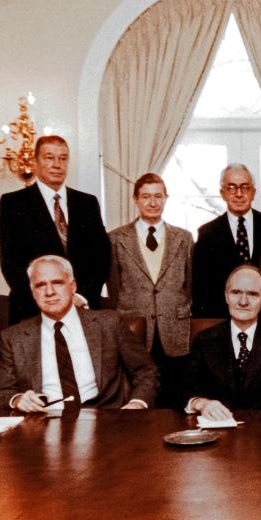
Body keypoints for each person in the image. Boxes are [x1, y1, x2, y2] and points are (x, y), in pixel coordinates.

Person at [0, 255, 157, 411]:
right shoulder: (14, 337)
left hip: (107, 419)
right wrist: (18, 399)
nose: (49, 292)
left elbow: (146, 372)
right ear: (33, 292)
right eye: (41, 285)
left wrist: (137, 403)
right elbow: (1, 391)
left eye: (57, 283)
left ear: (73, 286)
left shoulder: (109, 323)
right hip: (44, 421)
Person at [0, 135, 111, 324]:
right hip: (32, 311)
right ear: (35, 162)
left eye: (63, 158)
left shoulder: (87, 203)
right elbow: (11, 263)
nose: (57, 164)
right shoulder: (13, 203)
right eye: (49, 157)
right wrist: (48, 302)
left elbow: (102, 258)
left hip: (82, 309)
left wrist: (81, 297)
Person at [108, 173, 193, 408]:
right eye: (146, 197)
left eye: (158, 196)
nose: (153, 202)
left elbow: (190, 285)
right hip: (134, 326)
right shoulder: (116, 239)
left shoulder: (183, 238)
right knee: (140, 392)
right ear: (135, 199)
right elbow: (115, 287)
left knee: (175, 394)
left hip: (174, 328)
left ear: (166, 198)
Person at [185, 265, 261, 420]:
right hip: (217, 434)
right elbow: (185, 390)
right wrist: (202, 403)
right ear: (226, 296)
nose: (243, 301)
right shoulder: (204, 340)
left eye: (252, 294)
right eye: (236, 292)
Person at [192, 164, 261, 319]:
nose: (238, 194)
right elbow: (201, 290)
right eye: (232, 188)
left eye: (245, 187)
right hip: (222, 322)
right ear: (223, 193)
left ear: (253, 192)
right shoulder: (207, 233)